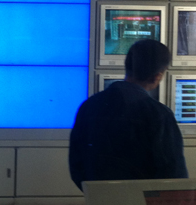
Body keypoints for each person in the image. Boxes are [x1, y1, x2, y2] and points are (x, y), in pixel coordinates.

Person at [69, 39, 188, 190]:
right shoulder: (159, 114)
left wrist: (96, 193)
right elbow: (174, 173)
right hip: (145, 202)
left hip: (99, 199)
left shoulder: (89, 106)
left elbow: (76, 164)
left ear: (127, 66)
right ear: (157, 76)